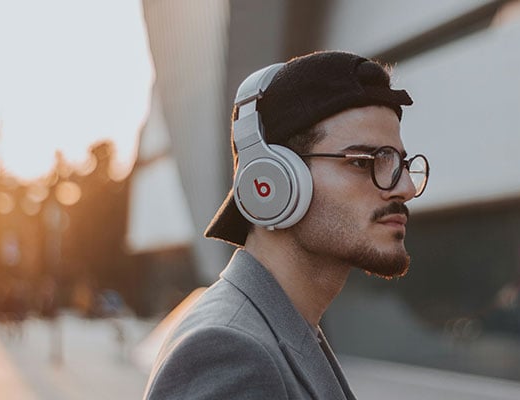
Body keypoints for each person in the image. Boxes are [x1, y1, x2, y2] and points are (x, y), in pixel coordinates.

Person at [143, 50, 430, 400]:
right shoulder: (229, 352)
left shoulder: (282, 329)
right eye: (364, 162)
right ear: (272, 183)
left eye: (399, 162)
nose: (406, 188)